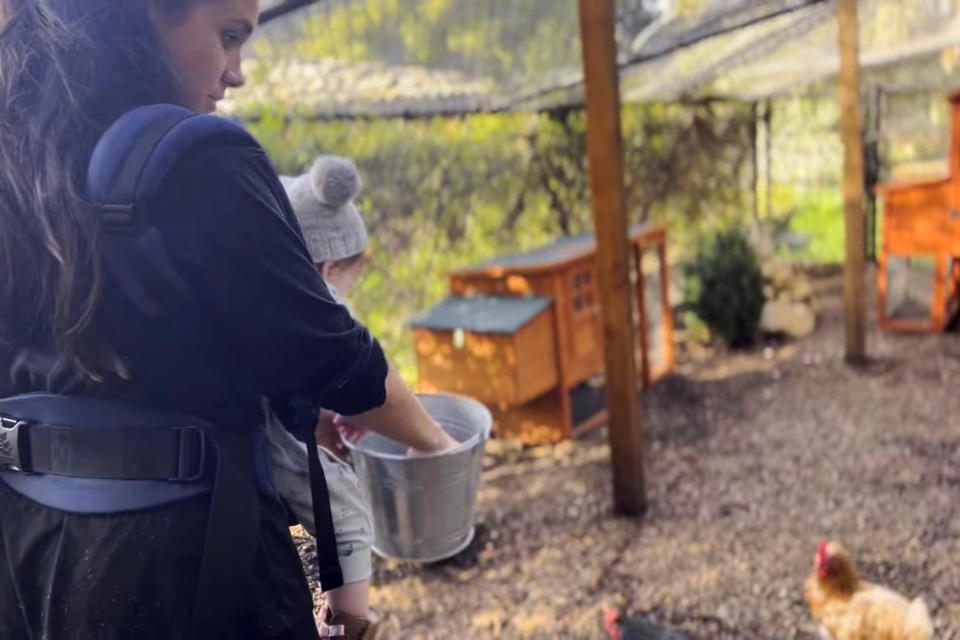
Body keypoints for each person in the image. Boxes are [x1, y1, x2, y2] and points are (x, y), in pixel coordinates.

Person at [0, 1, 456, 639]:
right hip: (183, 561)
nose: (236, 72)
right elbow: (334, 358)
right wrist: (436, 443)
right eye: (229, 35)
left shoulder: (20, 150)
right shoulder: (193, 157)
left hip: (30, 544)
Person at [266, 155, 382, 639]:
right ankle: (346, 624)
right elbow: (355, 375)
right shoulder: (321, 300)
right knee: (349, 512)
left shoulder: (262, 280)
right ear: (330, 265)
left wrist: (331, 407)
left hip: (264, 414)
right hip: (264, 434)